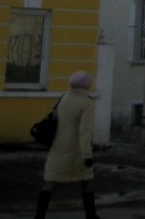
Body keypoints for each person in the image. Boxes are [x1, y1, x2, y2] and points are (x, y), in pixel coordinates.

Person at [35, 70, 100, 219]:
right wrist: (88, 155)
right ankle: (91, 215)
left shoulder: (64, 98)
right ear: (87, 85)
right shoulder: (86, 103)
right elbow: (84, 132)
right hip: (76, 150)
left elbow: (55, 119)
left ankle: (39, 215)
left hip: (58, 146)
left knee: (51, 181)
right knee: (87, 179)